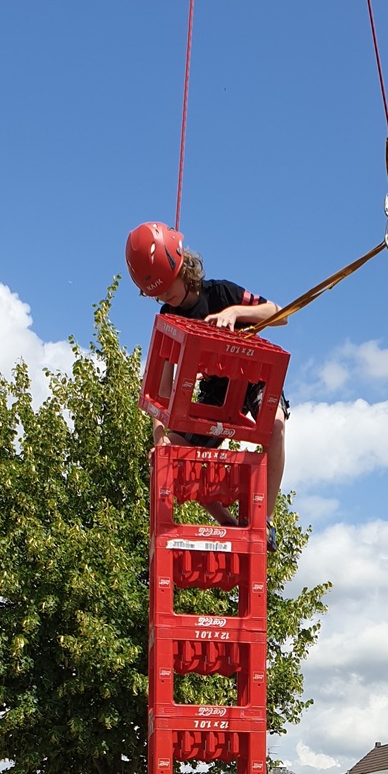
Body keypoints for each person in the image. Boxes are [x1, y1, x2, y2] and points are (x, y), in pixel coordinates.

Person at [125, 222, 288, 550]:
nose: (164, 296)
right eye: (157, 293)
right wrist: (159, 434)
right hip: (216, 394)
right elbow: (162, 390)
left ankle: (266, 519)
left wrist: (235, 313)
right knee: (165, 456)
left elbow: (279, 314)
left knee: (276, 426)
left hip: (253, 377)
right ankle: (227, 521)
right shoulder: (170, 318)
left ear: (182, 268)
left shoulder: (221, 293)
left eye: (167, 286)